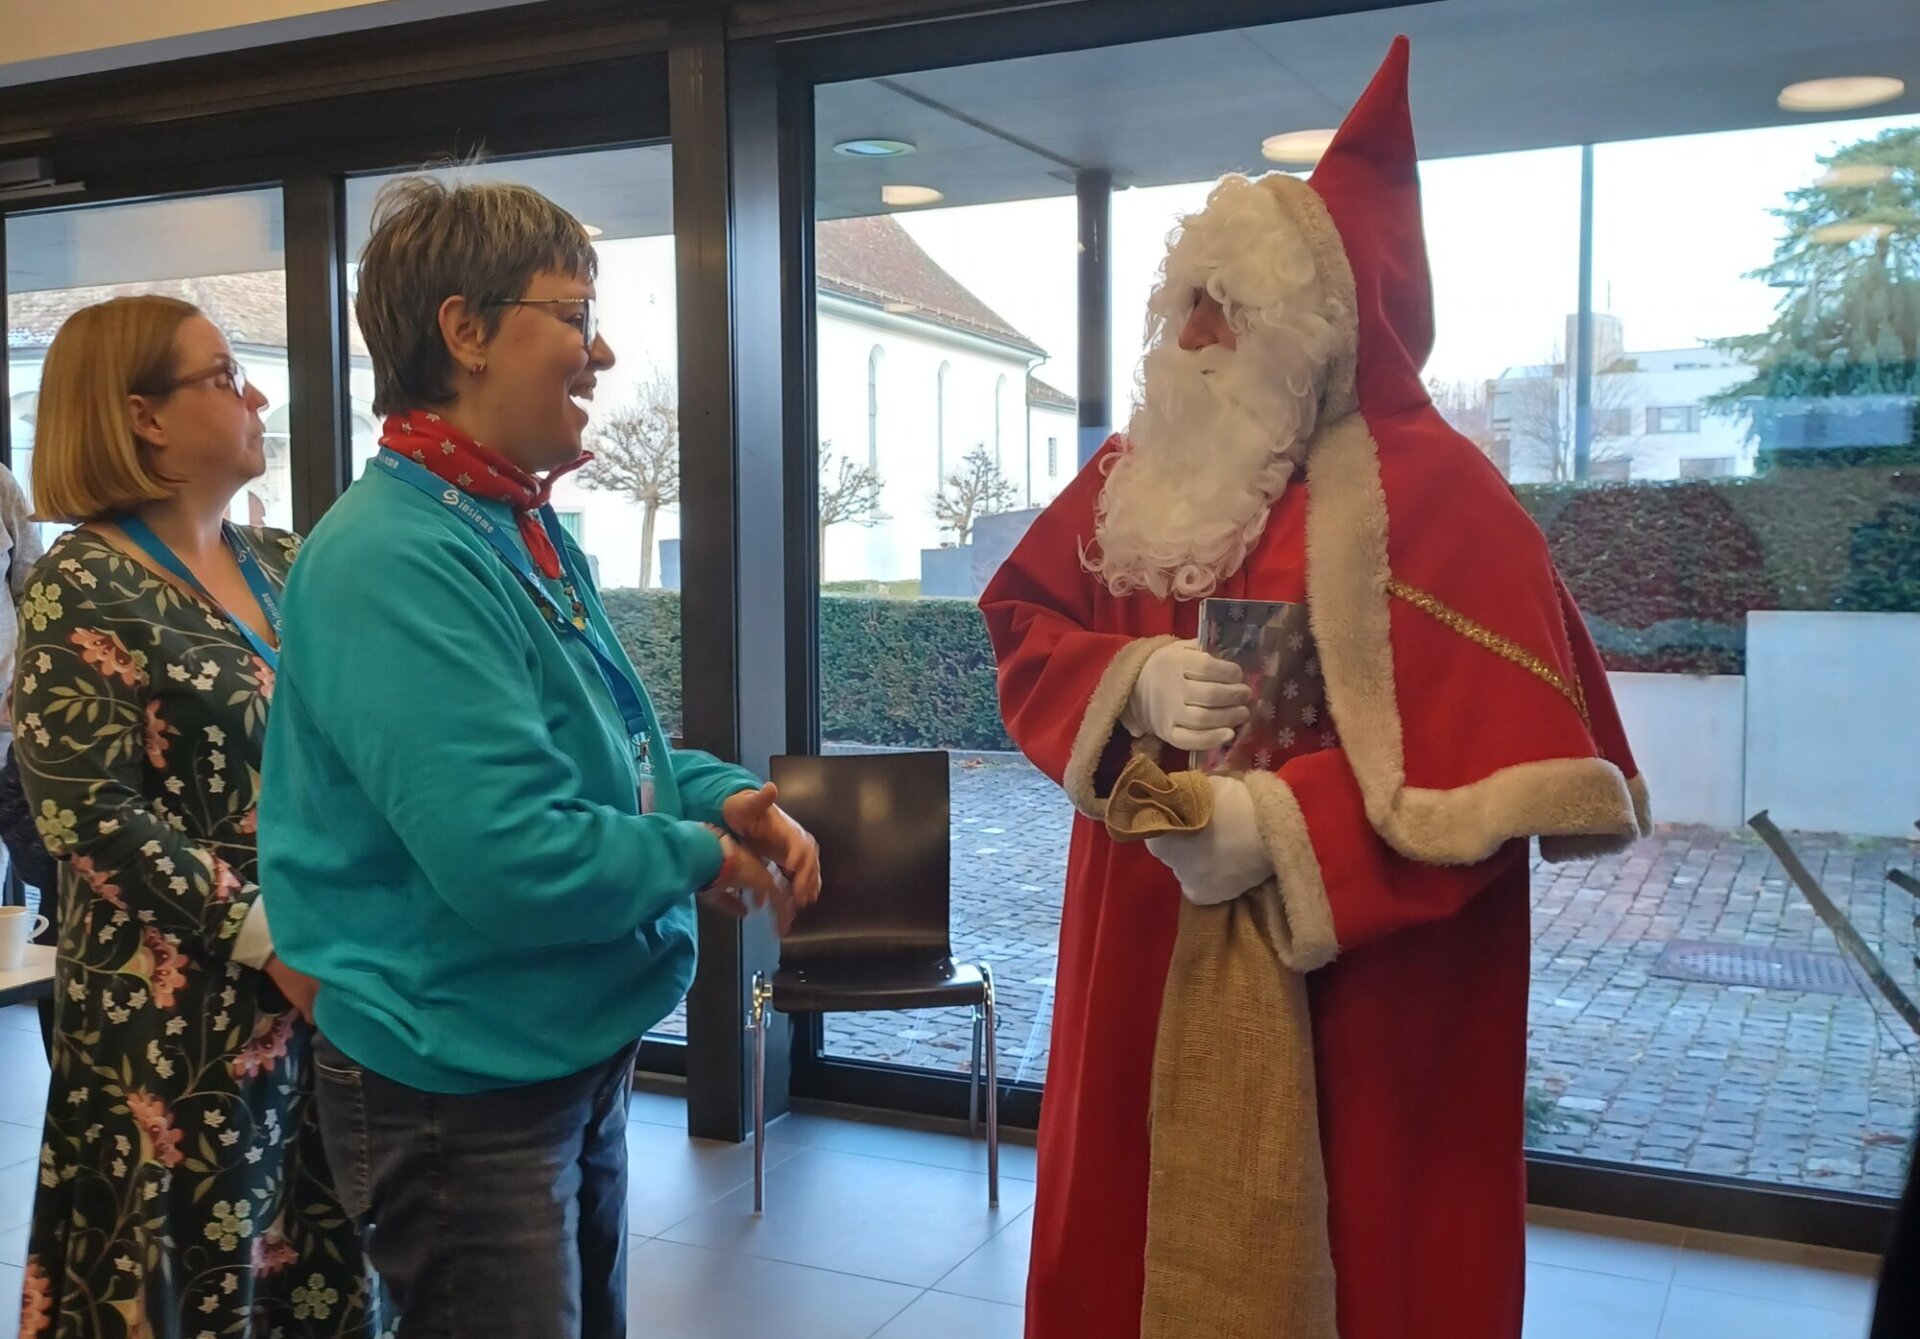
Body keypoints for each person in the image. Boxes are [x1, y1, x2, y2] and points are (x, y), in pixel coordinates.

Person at [980, 39, 1648, 1339]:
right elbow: (1024, 619)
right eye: (1187, 301)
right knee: (1122, 1253)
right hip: (1139, 966)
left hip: (1363, 1021)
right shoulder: (1135, 477)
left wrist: (1285, 831)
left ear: (1319, 328)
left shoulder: (1447, 504)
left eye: (1230, 305)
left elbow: (1497, 787)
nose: (1196, 333)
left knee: (1367, 1276)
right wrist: (1126, 676)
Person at [258, 175, 821, 1339]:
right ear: (464, 331)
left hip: (550, 1048)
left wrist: (724, 797)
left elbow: (605, 751)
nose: (600, 351)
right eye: (573, 315)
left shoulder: (502, 517)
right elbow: (510, 854)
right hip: (463, 1076)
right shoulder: (394, 556)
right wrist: (698, 854)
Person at [11, 295, 378, 1338]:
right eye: (225, 376)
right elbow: (87, 815)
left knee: (321, 1272)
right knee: (184, 1284)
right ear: (145, 417)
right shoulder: (80, 585)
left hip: (318, 983)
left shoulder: (284, 562)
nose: (257, 398)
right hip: (174, 1024)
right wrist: (270, 938)